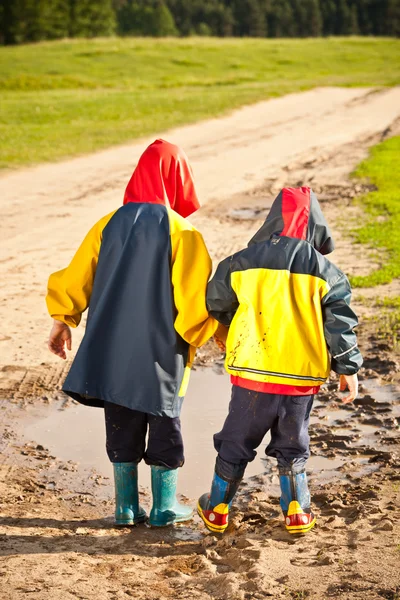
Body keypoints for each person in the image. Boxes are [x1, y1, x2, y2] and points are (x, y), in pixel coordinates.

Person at [46, 139, 221, 527]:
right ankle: (164, 507)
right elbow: (194, 303)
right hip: (163, 353)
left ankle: (125, 508)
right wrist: (210, 332)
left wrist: (63, 319)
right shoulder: (183, 232)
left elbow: (77, 278)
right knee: (164, 424)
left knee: (120, 420)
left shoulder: (107, 224)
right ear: (178, 179)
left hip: (110, 350)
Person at [198, 186, 363, 535]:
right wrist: (347, 369)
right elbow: (340, 323)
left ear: (273, 220)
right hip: (300, 379)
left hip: (252, 374)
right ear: (315, 226)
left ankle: (216, 508)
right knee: (293, 442)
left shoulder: (242, 261)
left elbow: (217, 300)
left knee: (237, 439)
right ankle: (297, 511)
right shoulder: (326, 271)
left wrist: (229, 327)